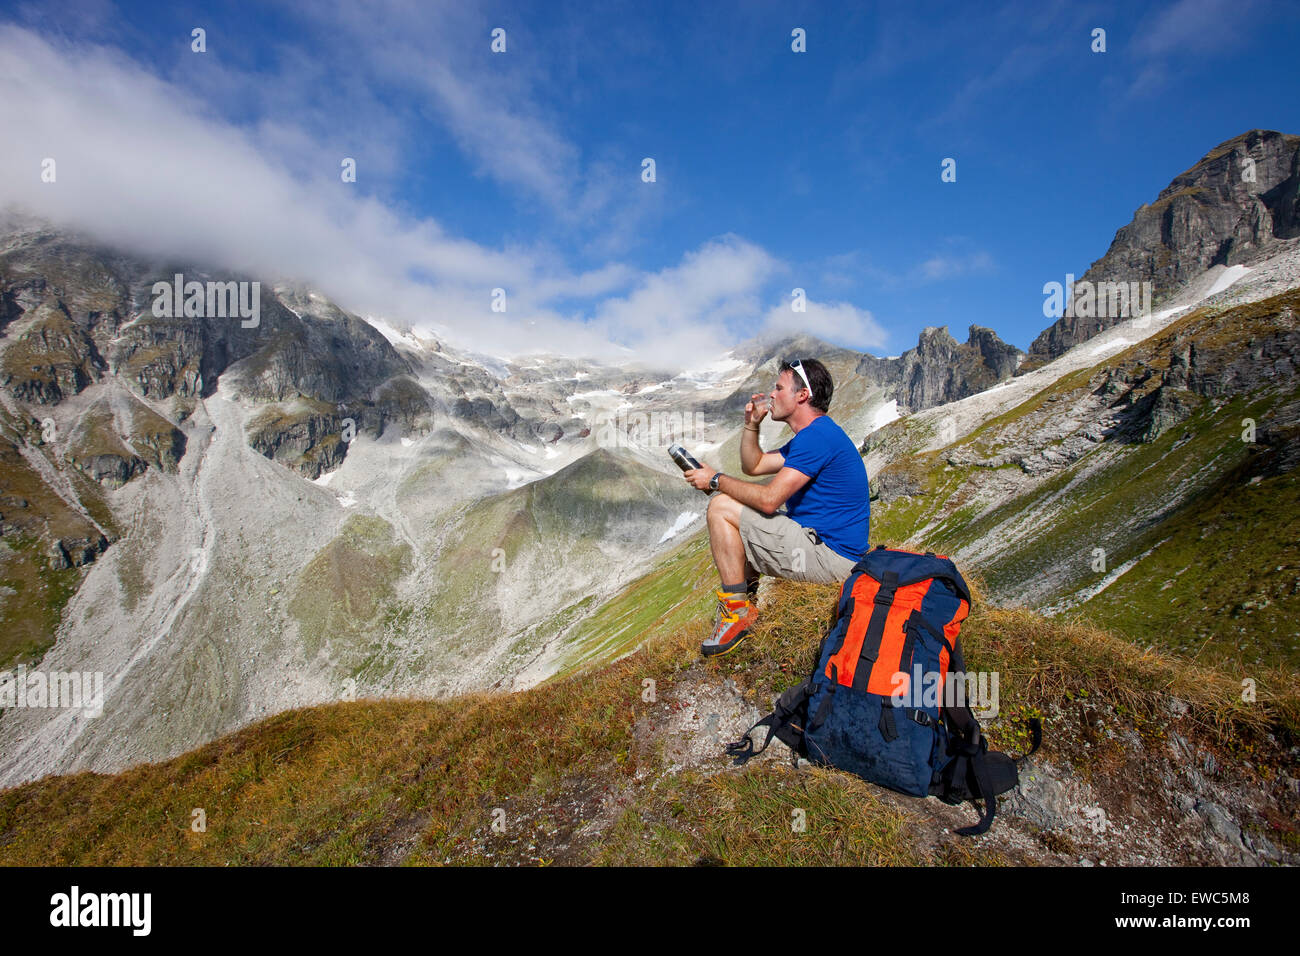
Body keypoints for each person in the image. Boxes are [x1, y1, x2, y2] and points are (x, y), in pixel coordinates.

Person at [684, 358, 870, 657]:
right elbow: (754, 465)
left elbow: (770, 499)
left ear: (802, 396)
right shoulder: (814, 435)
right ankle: (746, 606)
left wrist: (715, 479)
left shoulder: (817, 437)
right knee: (739, 512)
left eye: (779, 388)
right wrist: (750, 426)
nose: (772, 394)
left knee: (721, 507)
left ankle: (736, 614)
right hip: (827, 549)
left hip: (831, 558)